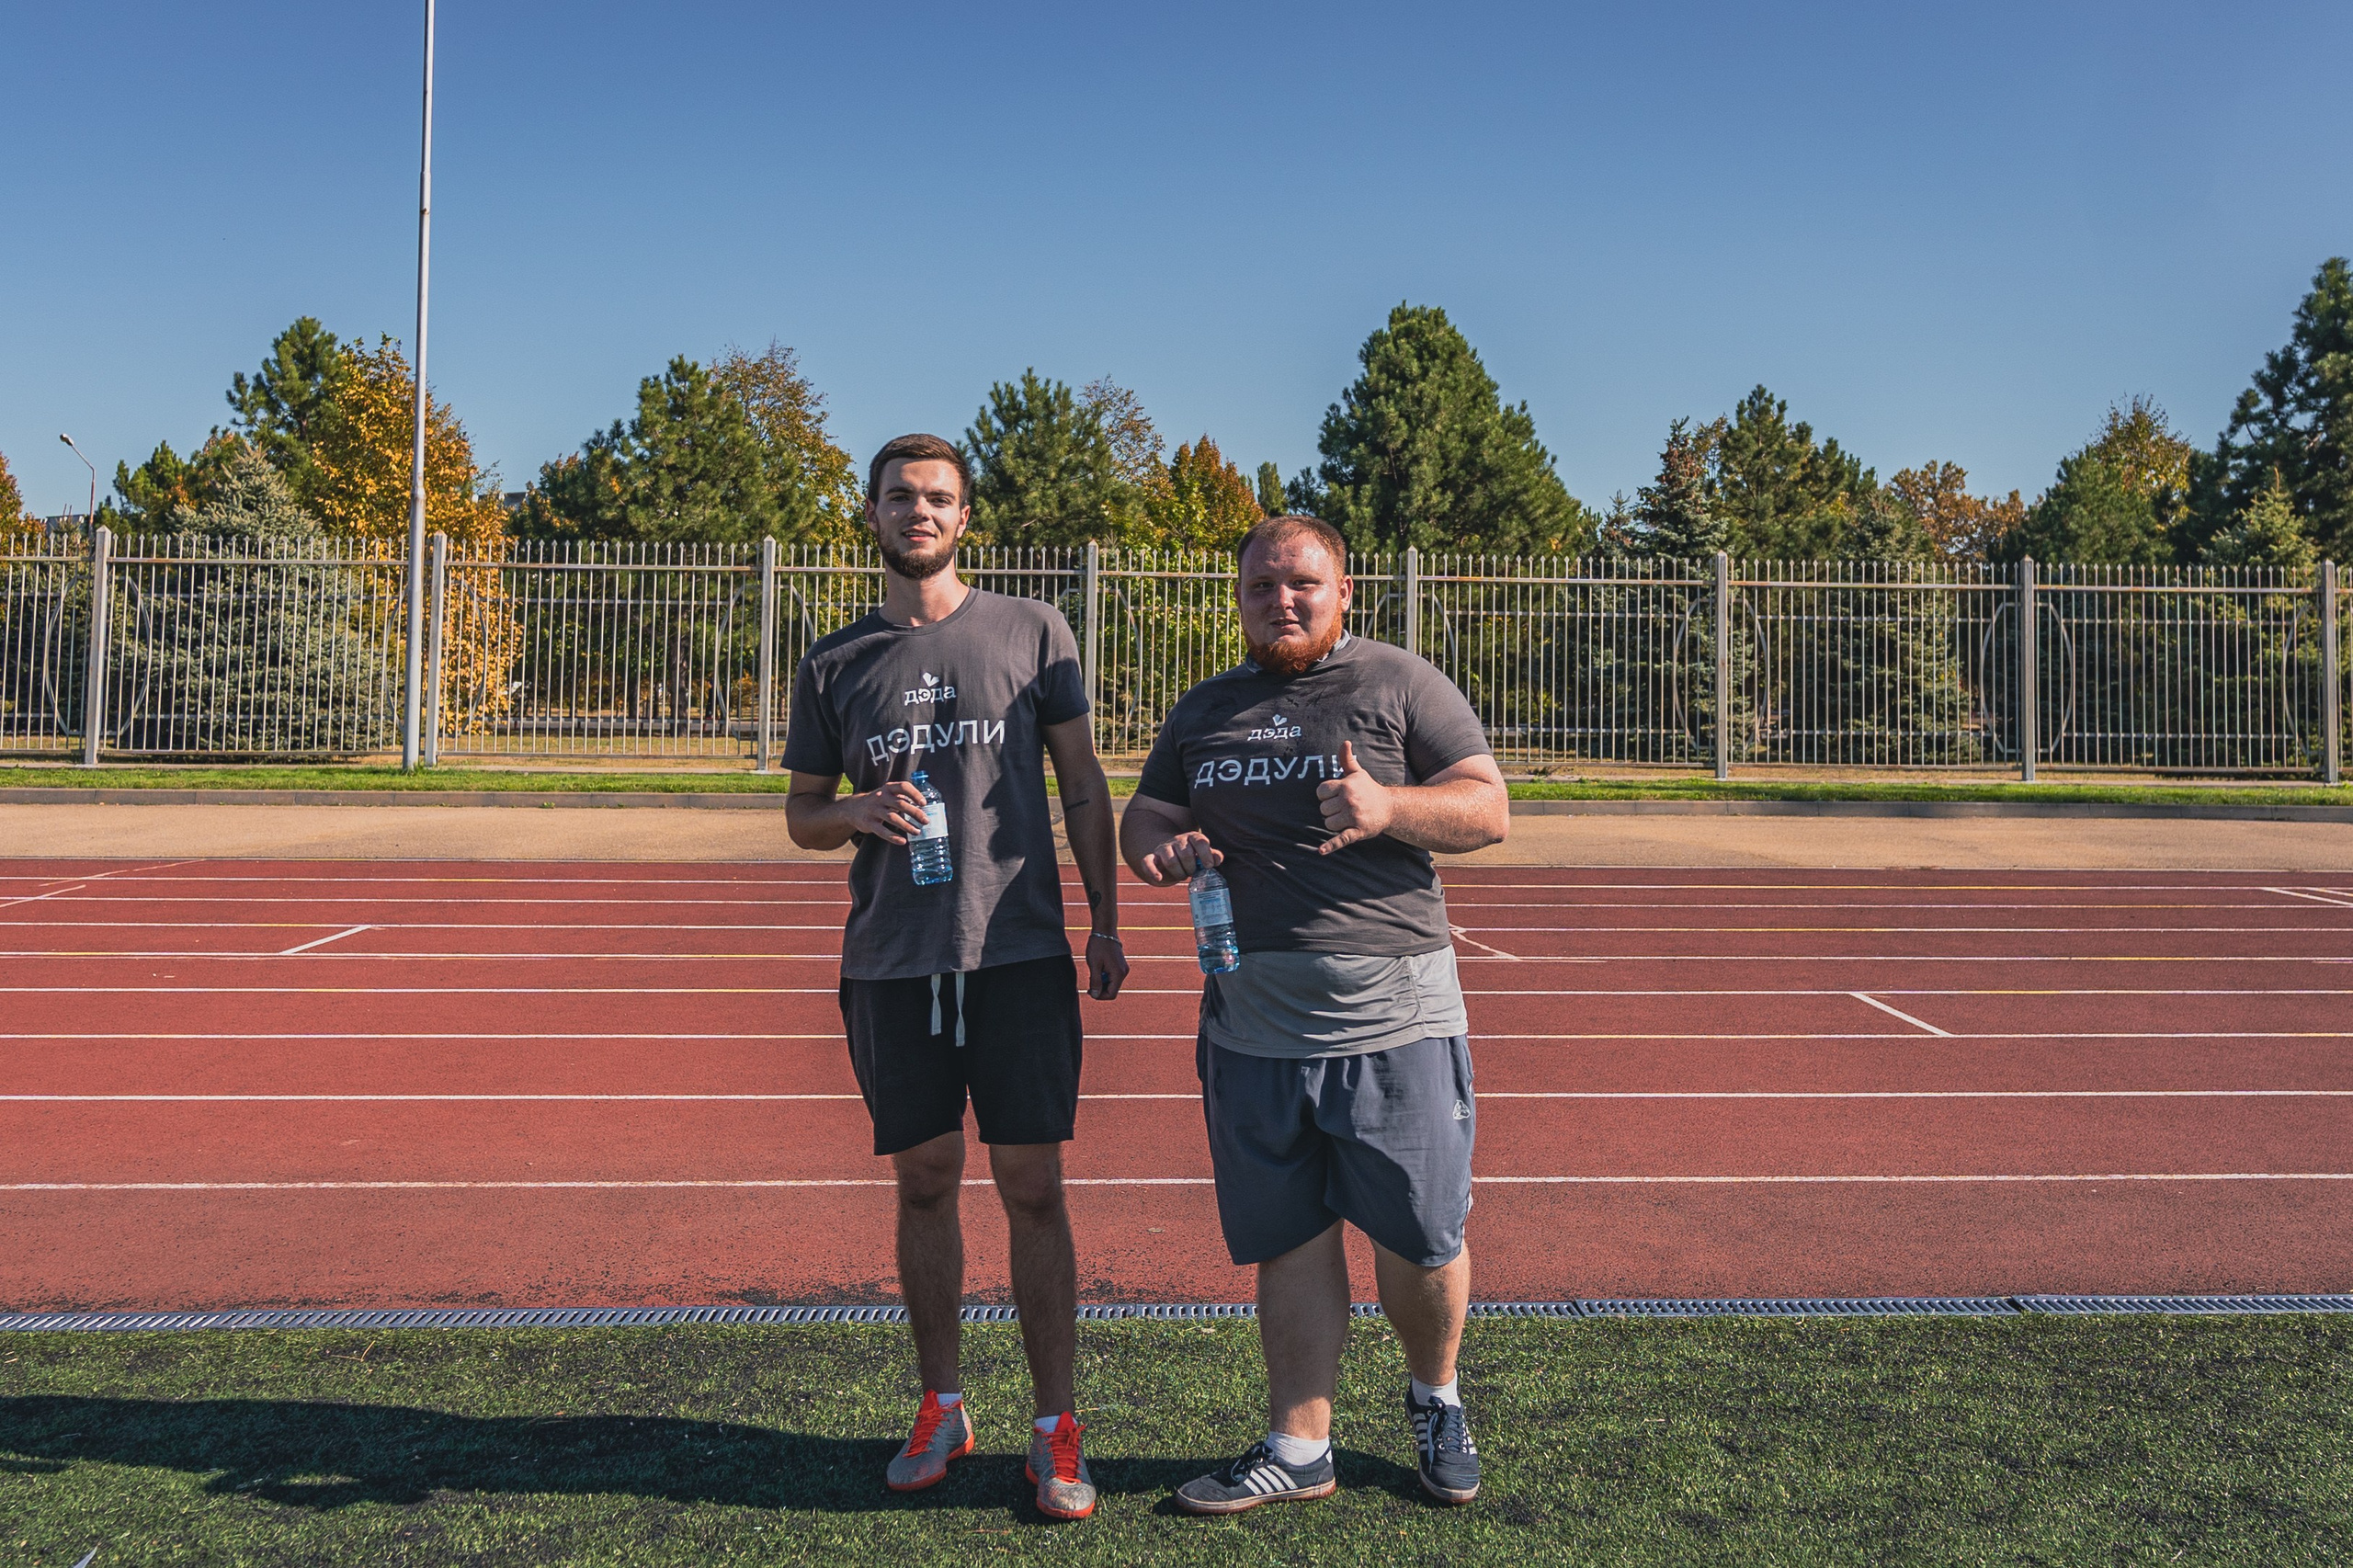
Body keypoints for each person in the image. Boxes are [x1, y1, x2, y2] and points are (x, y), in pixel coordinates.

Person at [1119, 514, 1508, 1513]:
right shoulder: (1208, 705)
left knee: (1420, 1234)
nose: (1280, 600)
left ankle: (1435, 1396)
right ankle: (1300, 1443)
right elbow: (1148, 813)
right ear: (1240, 596)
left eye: (1301, 583)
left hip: (1392, 1018)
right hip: (1251, 1023)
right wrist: (1161, 847)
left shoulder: (1397, 682)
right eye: (1260, 586)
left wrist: (1389, 808)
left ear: (1343, 591)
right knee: (1287, 1233)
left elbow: (1486, 805)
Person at [783, 433, 1128, 1522]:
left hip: (1018, 953)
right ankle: (942, 1401)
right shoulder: (834, 659)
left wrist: (1106, 917)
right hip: (893, 960)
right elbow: (801, 814)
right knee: (924, 1178)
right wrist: (850, 811)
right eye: (900, 496)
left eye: (937, 498)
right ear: (872, 513)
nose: (918, 512)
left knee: (1034, 1184)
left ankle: (1054, 1423)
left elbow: (1080, 786)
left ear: (964, 517)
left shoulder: (1032, 630)